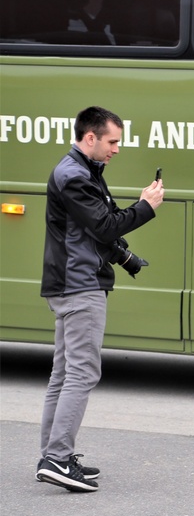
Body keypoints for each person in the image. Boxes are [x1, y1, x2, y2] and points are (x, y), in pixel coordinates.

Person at [37, 106, 164, 492]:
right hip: (80, 287)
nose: (117, 149)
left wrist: (125, 257)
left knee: (63, 375)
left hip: (70, 284)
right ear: (89, 137)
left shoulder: (81, 172)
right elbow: (105, 224)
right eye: (112, 141)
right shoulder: (74, 175)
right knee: (82, 373)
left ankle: (53, 455)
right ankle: (57, 458)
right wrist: (145, 207)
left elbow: (95, 234)